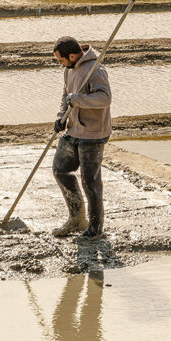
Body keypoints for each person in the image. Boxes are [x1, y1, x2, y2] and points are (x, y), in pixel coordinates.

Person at [51, 36, 112, 238]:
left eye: (61, 60)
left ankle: (95, 229)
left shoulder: (96, 69)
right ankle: (77, 219)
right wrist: (61, 117)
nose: (60, 64)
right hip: (73, 130)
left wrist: (78, 99)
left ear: (72, 55)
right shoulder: (69, 70)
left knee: (90, 182)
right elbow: (65, 97)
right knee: (60, 170)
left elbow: (105, 98)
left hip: (93, 134)